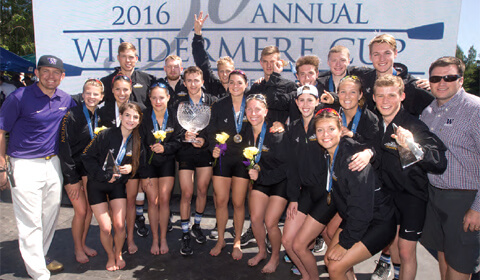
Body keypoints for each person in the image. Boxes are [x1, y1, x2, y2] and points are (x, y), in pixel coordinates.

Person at [0, 55, 76, 280]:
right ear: (36, 73)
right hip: (24, 165)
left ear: (62, 77)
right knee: (30, 220)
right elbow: (1, 130)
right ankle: (39, 273)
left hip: (52, 164)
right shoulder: (18, 97)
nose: (50, 76)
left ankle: (40, 256)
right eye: (46, 71)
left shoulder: (65, 99)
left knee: (49, 215)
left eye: (55, 73)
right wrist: (1, 165)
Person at [373, 74, 447, 280]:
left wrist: (413, 146)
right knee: (394, 246)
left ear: (402, 96)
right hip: (387, 197)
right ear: (374, 98)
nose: (385, 101)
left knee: (406, 250)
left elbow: (439, 162)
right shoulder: (375, 124)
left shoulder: (413, 125)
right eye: (380, 96)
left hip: (411, 197)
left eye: (391, 95)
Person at [314, 109, 396, 280]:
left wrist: (345, 244)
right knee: (330, 261)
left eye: (330, 129)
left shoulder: (353, 159)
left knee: (335, 267)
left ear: (340, 130)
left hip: (378, 221)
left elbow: (362, 207)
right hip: (356, 217)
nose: (325, 135)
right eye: (320, 130)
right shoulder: (328, 153)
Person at [420, 56, 480, 280]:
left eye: (449, 77)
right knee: (443, 257)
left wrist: (478, 207)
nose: (441, 82)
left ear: (461, 80)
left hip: (465, 200)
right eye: (436, 78)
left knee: (460, 266)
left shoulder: (475, 109)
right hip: (436, 196)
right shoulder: (428, 112)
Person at [283, 85, 337, 279]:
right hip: (305, 192)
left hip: (327, 194)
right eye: (302, 100)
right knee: (288, 241)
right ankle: (307, 275)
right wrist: (293, 198)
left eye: (310, 99)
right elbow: (292, 167)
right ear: (296, 103)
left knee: (306, 244)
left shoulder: (324, 125)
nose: (306, 104)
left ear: (317, 102)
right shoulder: (293, 128)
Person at [82, 102, 144, 271]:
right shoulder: (105, 134)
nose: (131, 120)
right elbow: (87, 157)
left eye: (135, 117)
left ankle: (118, 253)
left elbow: (140, 163)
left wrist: (132, 167)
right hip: (97, 185)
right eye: (127, 115)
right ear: (121, 116)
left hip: (117, 186)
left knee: (119, 225)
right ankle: (110, 256)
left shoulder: (137, 141)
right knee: (105, 227)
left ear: (139, 121)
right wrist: (103, 176)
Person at [98, 74, 147, 254]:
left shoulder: (140, 109)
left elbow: (143, 142)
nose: (121, 93)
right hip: (111, 167)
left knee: (131, 202)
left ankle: (130, 238)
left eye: (125, 89)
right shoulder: (103, 111)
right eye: (117, 89)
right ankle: (118, 236)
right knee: (114, 205)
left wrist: (136, 167)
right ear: (111, 90)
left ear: (131, 90)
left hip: (131, 166)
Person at [173, 66, 217, 256]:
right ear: (184, 82)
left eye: (196, 80)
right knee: (186, 192)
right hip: (185, 152)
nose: (192, 84)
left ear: (202, 82)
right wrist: (185, 136)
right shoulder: (178, 102)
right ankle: (184, 232)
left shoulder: (212, 101)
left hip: (204, 151)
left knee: (201, 190)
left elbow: (214, 127)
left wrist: (204, 140)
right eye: (189, 80)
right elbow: (174, 129)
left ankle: (197, 225)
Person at [58, 78, 104, 263]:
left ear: (101, 97)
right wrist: (71, 178)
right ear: (82, 94)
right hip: (74, 172)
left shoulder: (98, 116)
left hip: (89, 171)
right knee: (81, 211)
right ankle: (78, 248)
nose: (91, 97)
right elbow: (64, 147)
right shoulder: (72, 115)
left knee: (89, 211)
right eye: (88, 93)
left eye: (95, 94)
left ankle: (83, 243)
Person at [242, 94, 289, 273]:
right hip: (261, 179)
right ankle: (261, 251)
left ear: (266, 112)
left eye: (257, 109)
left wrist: (260, 176)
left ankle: (275, 257)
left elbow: (286, 167)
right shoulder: (245, 131)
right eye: (249, 109)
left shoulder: (276, 132)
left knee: (270, 222)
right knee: (255, 219)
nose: (253, 113)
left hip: (280, 181)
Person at [207, 70, 250, 259]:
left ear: (246, 85)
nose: (235, 86)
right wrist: (213, 148)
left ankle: (237, 241)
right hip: (223, 158)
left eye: (239, 83)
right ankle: (221, 240)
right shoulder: (219, 105)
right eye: (232, 82)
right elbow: (210, 131)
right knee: (221, 201)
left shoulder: (253, 105)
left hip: (243, 159)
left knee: (238, 203)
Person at [139, 82, 181, 255]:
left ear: (168, 98)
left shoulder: (174, 116)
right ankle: (155, 239)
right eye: (154, 98)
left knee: (164, 200)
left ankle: (163, 238)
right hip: (147, 164)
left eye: (161, 98)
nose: (158, 101)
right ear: (149, 98)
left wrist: (166, 148)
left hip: (166, 162)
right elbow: (138, 144)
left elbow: (178, 141)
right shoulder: (142, 116)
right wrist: (143, 167)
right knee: (152, 201)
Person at [352, 34, 433, 118]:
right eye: (376, 54)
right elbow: (340, 69)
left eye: (387, 53)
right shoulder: (363, 77)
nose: (382, 59)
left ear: (395, 53)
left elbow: (442, 107)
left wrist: (435, 86)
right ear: (370, 56)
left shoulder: (412, 86)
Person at [247, 46, 297, 124]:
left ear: (279, 63)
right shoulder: (257, 87)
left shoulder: (290, 86)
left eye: (272, 62)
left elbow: (295, 119)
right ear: (261, 63)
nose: (269, 65)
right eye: (265, 61)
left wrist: (275, 75)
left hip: (280, 134)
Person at [192, 12, 234, 98]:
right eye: (222, 71)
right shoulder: (213, 85)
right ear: (218, 73)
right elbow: (202, 62)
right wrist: (197, 34)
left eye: (228, 71)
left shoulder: (240, 89)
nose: (225, 74)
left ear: (233, 71)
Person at [100, 42, 156, 107]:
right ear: (118, 58)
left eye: (131, 57)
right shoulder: (106, 82)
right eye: (124, 56)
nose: (127, 60)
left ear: (136, 59)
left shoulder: (148, 80)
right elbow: (92, 102)